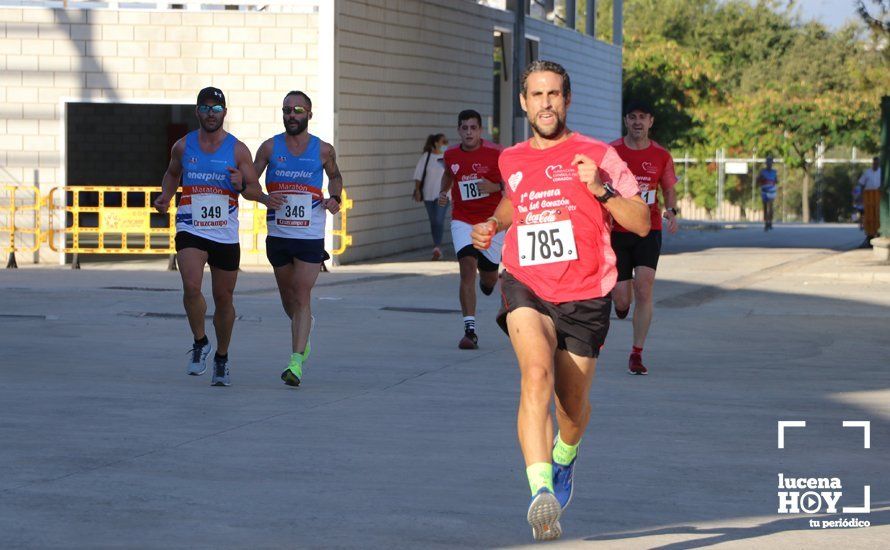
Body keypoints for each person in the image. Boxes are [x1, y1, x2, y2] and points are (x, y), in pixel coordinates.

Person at [471, 60, 649, 541]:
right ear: (524, 102)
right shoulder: (511, 158)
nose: (545, 103)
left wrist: (602, 189)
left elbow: (642, 222)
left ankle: (565, 455)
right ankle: (540, 491)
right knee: (535, 374)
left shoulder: (598, 155)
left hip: (587, 292)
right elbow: (516, 197)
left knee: (571, 407)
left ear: (566, 100)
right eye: (536, 95)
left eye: (554, 94)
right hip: (526, 282)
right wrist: (497, 223)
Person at [154, 87, 284, 387]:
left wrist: (242, 186)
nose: (211, 113)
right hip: (191, 226)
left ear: (224, 112)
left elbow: (253, 189)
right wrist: (165, 195)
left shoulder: (238, 150)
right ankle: (200, 341)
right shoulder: (183, 146)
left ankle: (222, 357)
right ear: (197, 111)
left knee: (223, 298)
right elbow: (173, 173)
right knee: (190, 286)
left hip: (224, 233)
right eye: (205, 107)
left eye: (216, 108)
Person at [253, 91, 344, 387]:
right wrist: (265, 199)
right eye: (287, 110)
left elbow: (336, 177)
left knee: (302, 294)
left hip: (309, 233)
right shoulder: (269, 147)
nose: (292, 115)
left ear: (309, 114)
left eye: (298, 110)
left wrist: (335, 198)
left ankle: (295, 363)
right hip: (279, 233)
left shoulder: (323, 150)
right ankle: (305, 327)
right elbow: (249, 182)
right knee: (289, 299)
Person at [609, 100, 678, 376]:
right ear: (626, 121)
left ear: (651, 122)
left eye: (643, 118)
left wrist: (671, 211)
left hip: (649, 229)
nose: (638, 122)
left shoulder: (661, 155)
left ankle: (636, 353)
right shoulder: (612, 152)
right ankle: (620, 304)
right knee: (623, 299)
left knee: (644, 288)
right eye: (633, 117)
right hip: (617, 230)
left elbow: (669, 189)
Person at [438, 110, 504, 349]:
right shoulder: (451, 154)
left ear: (480, 131)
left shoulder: (496, 153)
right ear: (459, 130)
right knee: (467, 267)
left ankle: (488, 281)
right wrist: (443, 192)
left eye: (473, 128)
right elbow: (449, 174)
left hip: (492, 222)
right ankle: (470, 330)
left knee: (488, 279)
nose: (468, 133)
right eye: (464, 128)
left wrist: (495, 185)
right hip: (463, 219)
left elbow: (513, 180)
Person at [412, 133, 449, 260]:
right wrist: (417, 190)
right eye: (443, 142)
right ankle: (436, 246)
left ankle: (437, 247)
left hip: (443, 195)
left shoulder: (447, 157)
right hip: (428, 194)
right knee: (433, 221)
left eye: (446, 142)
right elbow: (418, 174)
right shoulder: (426, 157)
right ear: (436, 143)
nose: (445, 144)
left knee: (439, 219)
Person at [859, 156, 882, 247]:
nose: (875, 164)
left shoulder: (881, 172)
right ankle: (869, 235)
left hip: (878, 197)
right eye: (874, 163)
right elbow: (861, 184)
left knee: (877, 215)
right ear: (872, 163)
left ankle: (879, 232)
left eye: (877, 163)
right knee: (869, 217)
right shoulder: (867, 172)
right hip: (868, 198)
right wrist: (860, 196)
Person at [756, 155, 779, 231]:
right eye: (768, 162)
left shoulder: (774, 172)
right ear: (766, 163)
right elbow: (757, 181)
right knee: (765, 207)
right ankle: (766, 223)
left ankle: (770, 222)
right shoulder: (762, 172)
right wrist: (760, 179)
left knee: (771, 207)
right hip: (764, 191)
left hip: (771, 190)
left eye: (770, 162)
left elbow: (776, 181)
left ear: (772, 163)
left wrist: (774, 181)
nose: (769, 164)